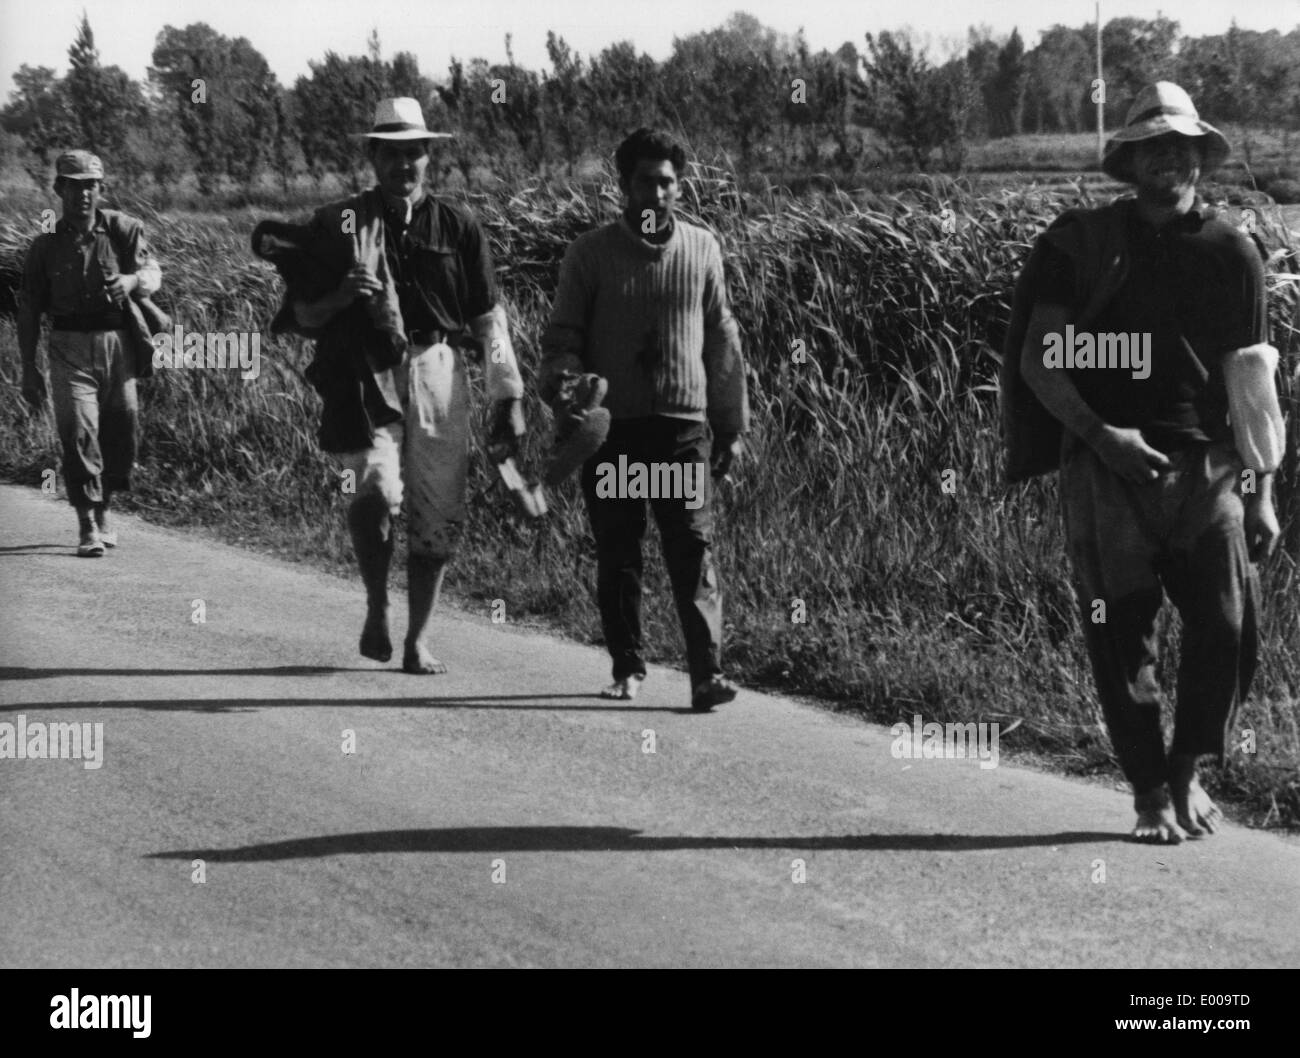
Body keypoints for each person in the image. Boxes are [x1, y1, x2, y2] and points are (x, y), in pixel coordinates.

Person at [1011, 83, 1284, 843]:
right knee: (1119, 631)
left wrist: (1260, 493)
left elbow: (1252, 381)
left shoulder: (1232, 250)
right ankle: (1148, 792)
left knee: (1227, 625)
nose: (1168, 155)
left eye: (1181, 144)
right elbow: (1041, 360)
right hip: (1109, 472)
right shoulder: (1082, 245)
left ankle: (1187, 764)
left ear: (1199, 155)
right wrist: (1104, 438)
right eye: (1151, 144)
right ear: (1130, 161)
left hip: (1209, 471)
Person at [269, 97, 525, 674]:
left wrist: (508, 394)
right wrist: (343, 294)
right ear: (372, 157)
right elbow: (302, 314)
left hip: (440, 368)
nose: (402, 166)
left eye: (414, 154)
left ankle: (418, 640)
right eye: (391, 155)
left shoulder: (458, 224)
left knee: (439, 509)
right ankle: (377, 604)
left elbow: (489, 318)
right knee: (375, 490)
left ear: (429, 158)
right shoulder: (339, 222)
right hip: (368, 371)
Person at [540, 128, 750, 711]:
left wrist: (732, 427)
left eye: (668, 182)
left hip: (682, 430)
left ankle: (707, 674)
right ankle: (627, 667)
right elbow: (561, 339)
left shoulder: (704, 248)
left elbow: (722, 340)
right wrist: (567, 391)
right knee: (620, 550)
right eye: (646, 182)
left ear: (680, 187)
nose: (657, 193)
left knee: (692, 545)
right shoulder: (591, 253)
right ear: (624, 186)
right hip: (616, 434)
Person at [18, 150, 162, 557]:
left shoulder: (123, 229)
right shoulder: (45, 246)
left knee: (122, 430)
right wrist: (29, 369)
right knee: (80, 432)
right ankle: (86, 524)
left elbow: (153, 273)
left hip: (118, 345)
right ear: (59, 188)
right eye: (75, 185)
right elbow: (29, 310)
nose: (83, 193)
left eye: (91, 185)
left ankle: (104, 512)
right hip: (68, 347)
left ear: (101, 188)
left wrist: (133, 280)